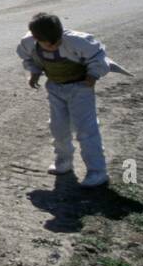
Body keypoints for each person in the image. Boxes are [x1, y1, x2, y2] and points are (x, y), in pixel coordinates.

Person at [17, 12, 129, 188]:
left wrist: (93, 75)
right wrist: (35, 73)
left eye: (57, 42)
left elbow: (98, 56)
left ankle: (97, 171)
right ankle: (63, 161)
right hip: (55, 87)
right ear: (36, 38)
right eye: (48, 44)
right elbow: (28, 58)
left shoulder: (79, 42)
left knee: (86, 128)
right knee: (58, 126)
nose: (53, 47)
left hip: (80, 88)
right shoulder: (28, 43)